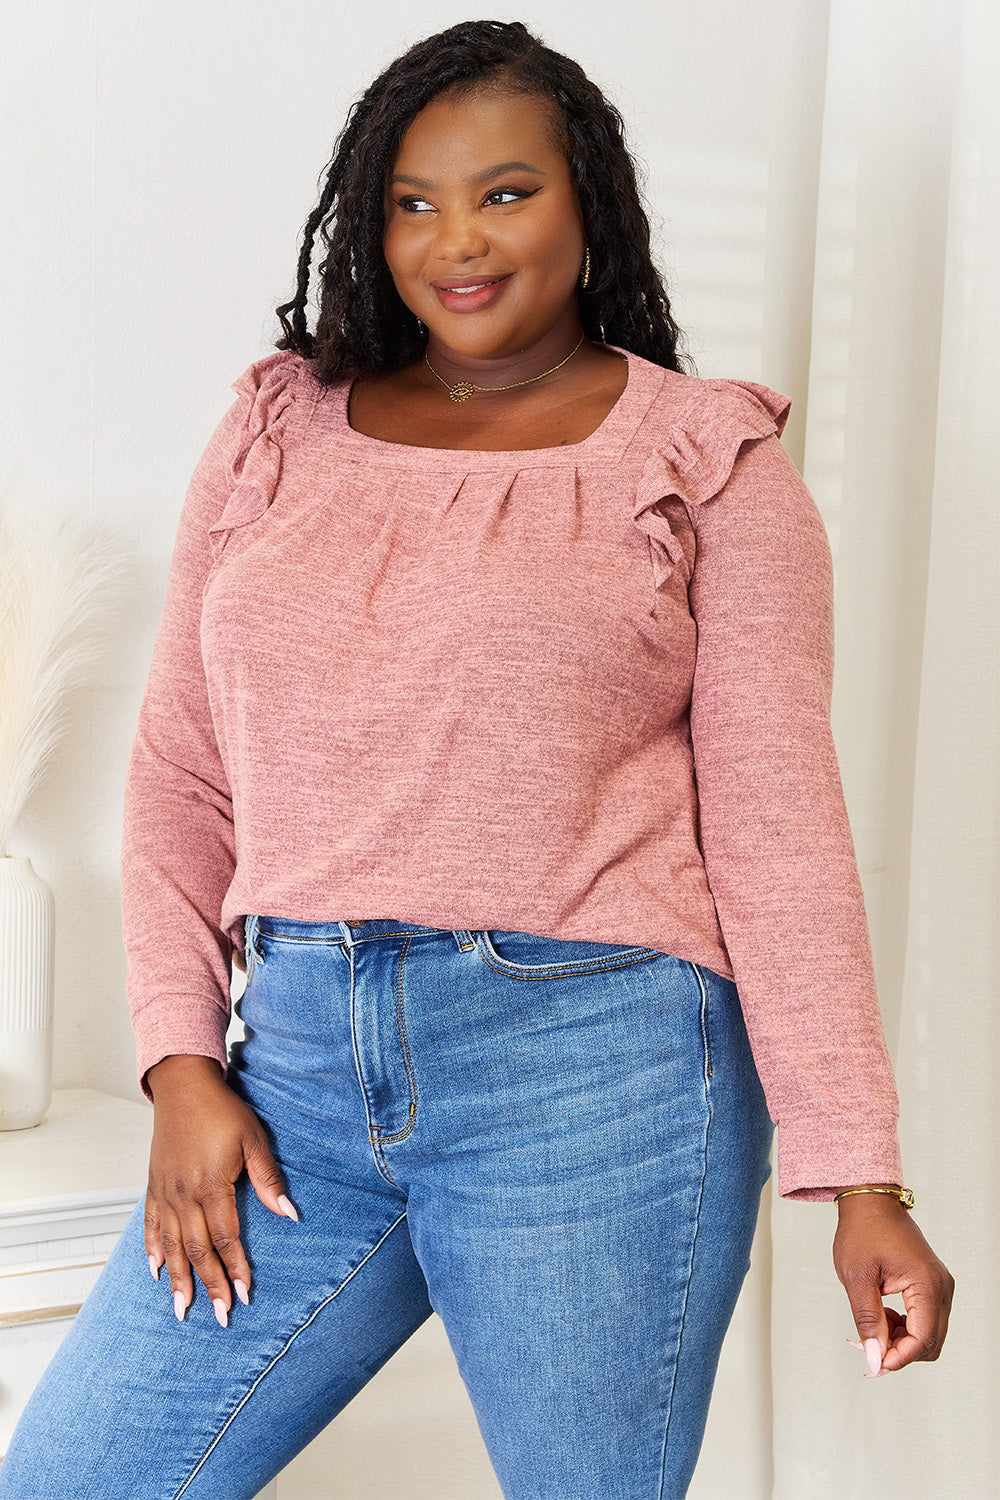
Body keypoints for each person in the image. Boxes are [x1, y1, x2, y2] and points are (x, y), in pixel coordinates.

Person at [0, 18, 953, 1500]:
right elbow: (184, 771)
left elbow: (778, 833)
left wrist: (861, 1173)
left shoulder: (708, 468)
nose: (458, 240)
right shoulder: (276, 430)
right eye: (414, 200)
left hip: (600, 1075)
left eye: (507, 193)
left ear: (591, 206)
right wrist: (181, 1065)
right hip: (295, 1073)